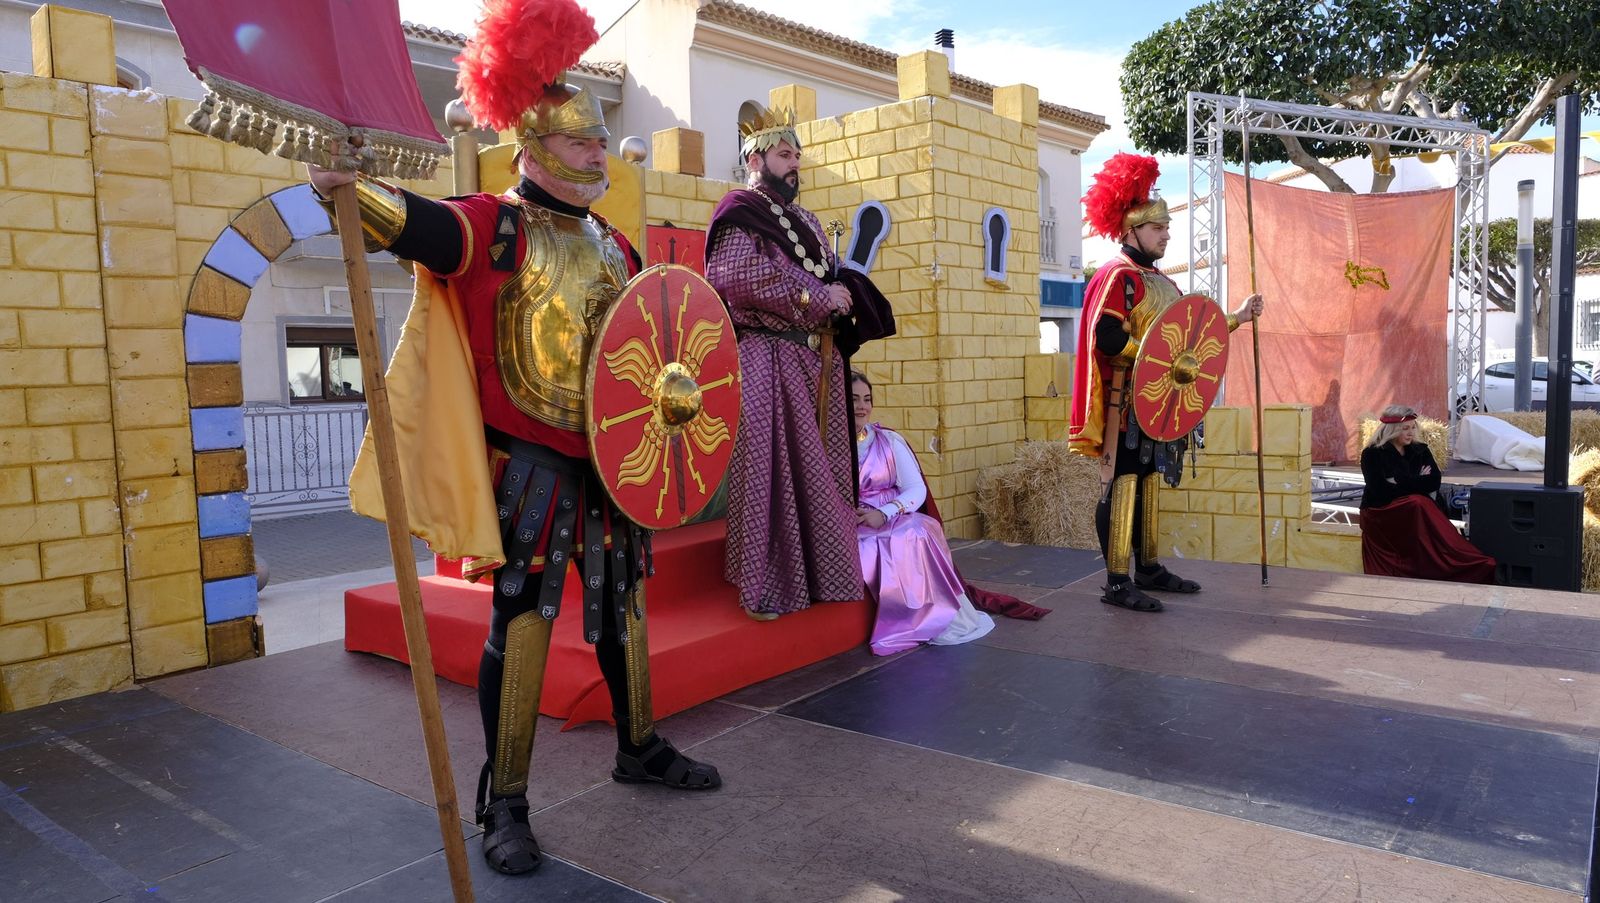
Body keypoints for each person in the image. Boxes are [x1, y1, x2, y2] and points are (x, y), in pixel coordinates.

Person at [313, 0, 718, 876]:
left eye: (601, 142)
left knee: (624, 609)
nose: (598, 154)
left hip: (614, 463)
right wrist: (357, 190)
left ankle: (639, 744)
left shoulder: (614, 243)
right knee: (526, 621)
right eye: (582, 144)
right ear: (534, 146)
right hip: (531, 461)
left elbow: (652, 340)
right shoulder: (493, 224)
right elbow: (420, 225)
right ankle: (507, 801)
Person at [706, 106, 894, 619]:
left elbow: (833, 277)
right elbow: (739, 278)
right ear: (755, 157)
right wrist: (820, 297)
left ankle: (819, 578)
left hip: (813, 361)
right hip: (763, 357)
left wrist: (850, 293)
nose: (795, 166)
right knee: (769, 471)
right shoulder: (738, 209)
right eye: (786, 155)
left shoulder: (808, 219)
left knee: (818, 472)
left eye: (797, 157)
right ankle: (764, 587)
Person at [1068, 153, 1265, 613]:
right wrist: (1152, 358)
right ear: (1131, 230)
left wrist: (1236, 318)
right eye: (1159, 228)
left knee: (1150, 479)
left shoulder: (1161, 282)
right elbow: (1108, 337)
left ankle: (1149, 568)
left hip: (1161, 403)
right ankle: (1117, 580)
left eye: (1167, 228)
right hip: (1126, 402)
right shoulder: (1117, 276)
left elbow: (1191, 339)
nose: (1166, 234)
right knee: (1123, 482)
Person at [852, 372, 996, 654]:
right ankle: (903, 620)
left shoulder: (889, 441)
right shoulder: (825, 445)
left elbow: (915, 488)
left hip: (892, 516)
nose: (862, 406)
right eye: (854, 399)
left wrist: (885, 512)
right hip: (855, 523)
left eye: (867, 399)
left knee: (919, 531)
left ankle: (934, 618)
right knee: (872, 543)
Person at [1360, 405, 1495, 583]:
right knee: (1418, 502)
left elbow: (1434, 481)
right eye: (1405, 429)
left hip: (1414, 510)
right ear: (1391, 430)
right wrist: (1418, 481)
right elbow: (1380, 491)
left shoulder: (1420, 450)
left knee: (1419, 504)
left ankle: (1459, 559)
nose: (1410, 433)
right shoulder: (1372, 454)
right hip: (1381, 512)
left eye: (1412, 427)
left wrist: (1399, 480)